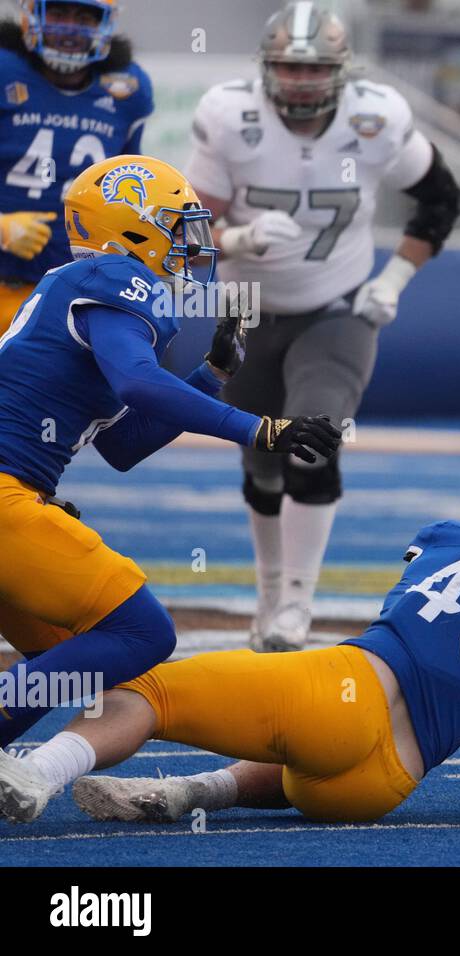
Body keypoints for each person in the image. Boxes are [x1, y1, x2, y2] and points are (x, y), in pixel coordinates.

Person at [0, 503, 460, 824]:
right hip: (378, 788)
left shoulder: (451, 540)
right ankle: (190, 793)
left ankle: (38, 774)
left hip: (347, 698)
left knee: (144, 691)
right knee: (297, 741)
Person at [0, 153, 341, 748]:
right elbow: (137, 383)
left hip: (18, 495)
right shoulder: (113, 279)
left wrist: (210, 375)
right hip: (7, 499)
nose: (191, 242)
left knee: (64, 656)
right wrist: (260, 429)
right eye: (176, 224)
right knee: (141, 633)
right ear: (130, 225)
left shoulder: (76, 287)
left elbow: (123, 445)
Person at [186, 1, 460, 652]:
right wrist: (240, 238)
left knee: (311, 438)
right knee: (260, 457)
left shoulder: (376, 118)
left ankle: (296, 609)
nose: (301, 81)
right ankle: (269, 591)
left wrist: (392, 279)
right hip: (246, 307)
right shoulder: (230, 115)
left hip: (336, 305)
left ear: (341, 70)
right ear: (266, 66)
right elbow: (188, 236)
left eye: (314, 69)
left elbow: (442, 200)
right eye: (287, 65)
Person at [0, 0, 152, 333]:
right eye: (57, 13)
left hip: (75, 293)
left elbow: (129, 191)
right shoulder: (4, 70)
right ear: (30, 14)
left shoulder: (128, 89)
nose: (69, 28)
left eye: (84, 16)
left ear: (106, 23)